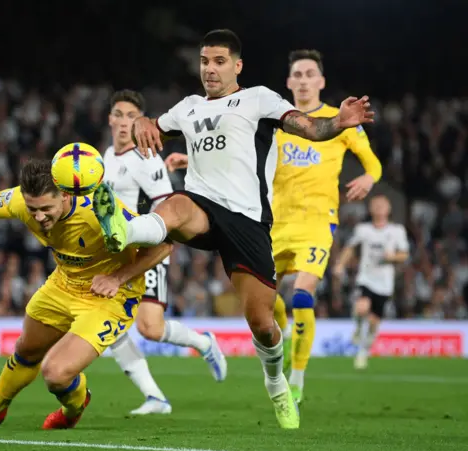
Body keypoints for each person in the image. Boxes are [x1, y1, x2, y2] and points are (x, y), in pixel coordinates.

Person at [91, 29, 374, 429]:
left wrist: (340, 122)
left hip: (247, 220)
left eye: (219, 61)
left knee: (263, 324)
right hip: (202, 207)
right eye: (205, 61)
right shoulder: (187, 108)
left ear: (237, 66)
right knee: (175, 205)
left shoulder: (258, 98)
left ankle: (276, 386)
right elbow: (153, 123)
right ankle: (123, 230)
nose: (210, 68)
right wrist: (141, 122)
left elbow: (308, 127)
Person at [164, 48, 383, 405]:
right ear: (289, 81)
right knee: (268, 308)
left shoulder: (336, 121)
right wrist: (192, 158)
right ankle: (282, 351)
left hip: (316, 222)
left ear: (321, 81)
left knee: (302, 295)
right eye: (297, 74)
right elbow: (240, 155)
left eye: (310, 73)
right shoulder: (278, 119)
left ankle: (297, 378)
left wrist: (369, 181)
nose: (303, 80)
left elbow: (373, 163)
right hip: (273, 223)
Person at [0, 159, 171, 430]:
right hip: (64, 283)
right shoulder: (20, 200)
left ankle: (73, 408)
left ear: (65, 196)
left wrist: (117, 277)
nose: (39, 217)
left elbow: (164, 245)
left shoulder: (99, 213)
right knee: (27, 350)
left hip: (109, 297)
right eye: (33, 210)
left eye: (46, 209)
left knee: (55, 374)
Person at [104, 89, 227, 415]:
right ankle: (155, 397)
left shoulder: (145, 158)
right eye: (119, 114)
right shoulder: (104, 156)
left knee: (150, 328)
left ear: (138, 123)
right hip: (118, 255)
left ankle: (204, 343)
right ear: (110, 119)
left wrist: (154, 248)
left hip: (147, 251)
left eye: (132, 116)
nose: (123, 122)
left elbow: (166, 205)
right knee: (110, 324)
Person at [333, 195, 409, 369]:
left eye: (383, 205)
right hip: (366, 278)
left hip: (385, 283)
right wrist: (340, 265)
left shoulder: (397, 231)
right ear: (371, 209)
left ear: (389, 209)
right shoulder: (363, 229)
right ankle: (359, 328)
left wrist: (393, 257)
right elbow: (350, 248)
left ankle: (364, 352)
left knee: (374, 322)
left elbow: (404, 254)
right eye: (376, 205)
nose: (379, 207)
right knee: (361, 307)